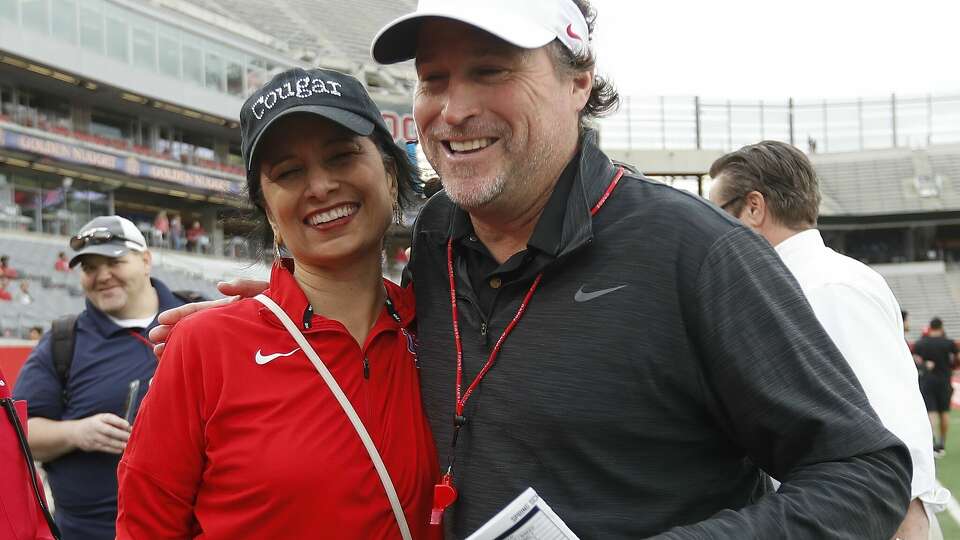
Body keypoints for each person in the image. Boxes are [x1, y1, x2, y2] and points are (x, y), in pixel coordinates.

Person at [156, 1, 912, 537]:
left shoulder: (698, 252)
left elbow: (865, 472)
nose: (453, 109)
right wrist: (278, 314)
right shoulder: (439, 235)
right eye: (434, 78)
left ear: (578, 80)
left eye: (489, 70)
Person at [116, 68, 438, 539]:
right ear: (269, 211)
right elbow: (145, 528)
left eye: (342, 156)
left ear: (390, 175)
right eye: (289, 172)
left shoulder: (440, 329)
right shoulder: (205, 346)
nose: (321, 186)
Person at [708, 140, 945, 540]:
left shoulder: (828, 287)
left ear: (754, 207)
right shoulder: (809, 282)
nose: (709, 228)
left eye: (715, 213)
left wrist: (906, 521)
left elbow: (889, 421)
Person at [12, 215, 187, 540]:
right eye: (90, 267)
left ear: (146, 260)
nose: (102, 275)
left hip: (190, 527)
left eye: (114, 260)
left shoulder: (195, 319)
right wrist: (76, 432)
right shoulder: (63, 341)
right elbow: (19, 434)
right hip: (90, 532)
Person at [914, 317, 958, 457]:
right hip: (944, 380)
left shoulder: (921, 343)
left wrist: (924, 365)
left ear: (930, 327)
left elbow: (914, 360)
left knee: (931, 412)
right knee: (944, 412)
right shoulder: (949, 343)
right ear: (941, 326)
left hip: (927, 380)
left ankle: (932, 443)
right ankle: (942, 443)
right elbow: (957, 360)